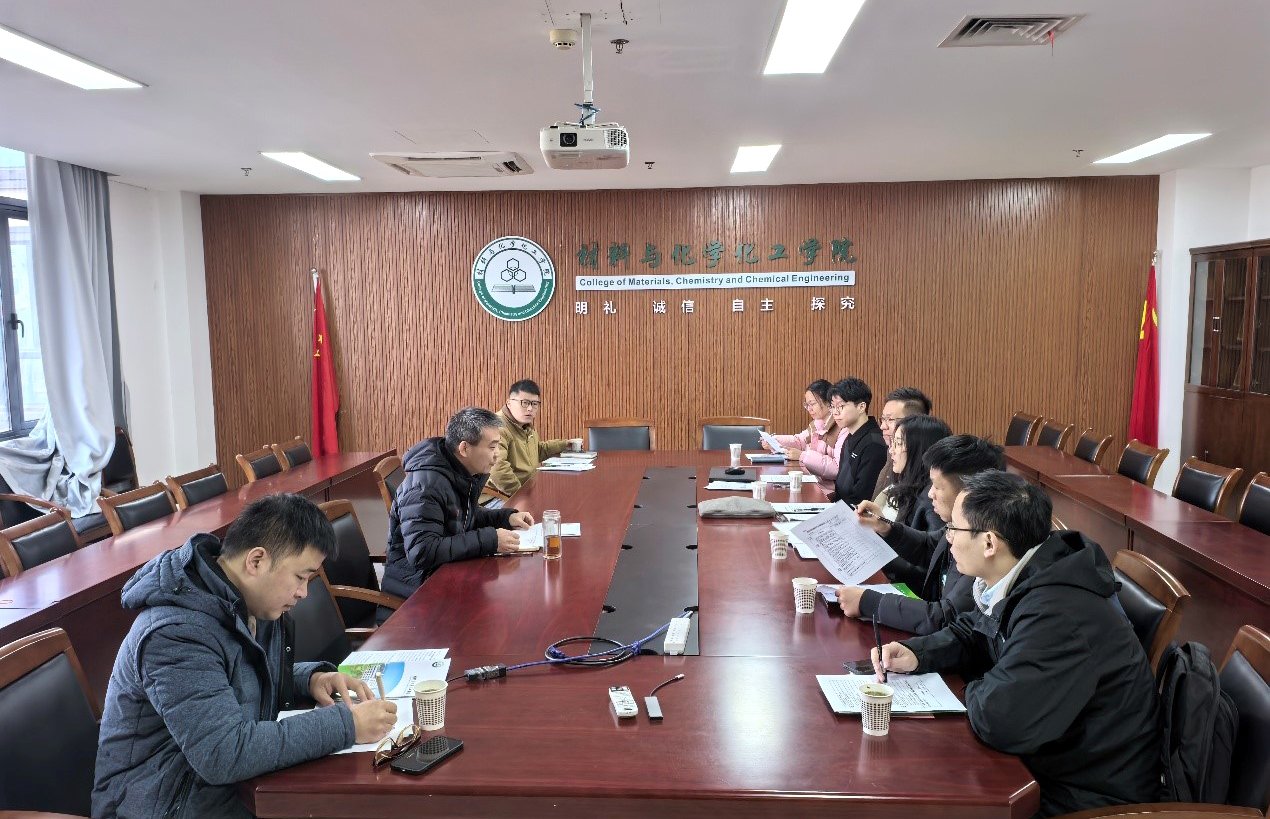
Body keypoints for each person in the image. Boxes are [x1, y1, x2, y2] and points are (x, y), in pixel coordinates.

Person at [93, 494, 399, 819]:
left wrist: (310, 679)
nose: (303, 592)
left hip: (221, 792)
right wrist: (347, 724)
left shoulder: (244, 600)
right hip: (162, 806)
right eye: (300, 577)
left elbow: (236, 679)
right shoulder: (175, 634)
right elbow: (222, 753)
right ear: (256, 561)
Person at [873, 471, 1160, 817]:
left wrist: (972, 687)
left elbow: (1000, 719)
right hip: (1048, 761)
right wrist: (919, 653)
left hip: (1084, 795)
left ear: (989, 544)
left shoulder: (1057, 613)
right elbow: (976, 631)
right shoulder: (1031, 573)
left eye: (953, 529)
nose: (947, 539)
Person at [836, 434, 1004, 635]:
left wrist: (869, 602)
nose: (930, 493)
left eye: (938, 487)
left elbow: (946, 617)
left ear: (969, 493)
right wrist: (886, 527)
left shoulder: (984, 543)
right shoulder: (958, 525)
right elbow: (930, 547)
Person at [382, 407, 534, 605]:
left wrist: (505, 518)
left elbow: (461, 516)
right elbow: (423, 551)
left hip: (444, 576)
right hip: (416, 594)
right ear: (464, 449)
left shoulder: (457, 472)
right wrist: (490, 540)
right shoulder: (425, 487)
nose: (497, 455)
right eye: (492, 447)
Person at [481, 379, 583, 504]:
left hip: (524, 490)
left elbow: (537, 451)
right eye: (524, 403)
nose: (530, 408)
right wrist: (523, 495)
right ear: (509, 403)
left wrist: (564, 444)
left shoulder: (526, 426)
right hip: (497, 497)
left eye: (534, 404)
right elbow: (498, 470)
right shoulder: (497, 427)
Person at [873, 414, 952, 527]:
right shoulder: (904, 483)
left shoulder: (931, 498)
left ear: (920, 449)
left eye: (898, 444)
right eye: (892, 443)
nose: (891, 451)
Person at [765, 378, 842, 481]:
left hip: (828, 485)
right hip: (815, 478)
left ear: (828, 402)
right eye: (807, 405)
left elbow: (836, 468)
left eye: (812, 404)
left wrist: (802, 456)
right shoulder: (817, 424)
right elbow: (800, 441)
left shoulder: (840, 427)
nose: (809, 409)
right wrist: (774, 440)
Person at [827, 377, 887, 506]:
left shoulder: (874, 444)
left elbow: (862, 498)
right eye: (832, 407)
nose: (835, 413)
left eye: (841, 406)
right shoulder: (850, 436)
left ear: (861, 407)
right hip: (840, 508)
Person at [874, 387, 932, 500]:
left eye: (890, 419)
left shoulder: (927, 469)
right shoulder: (891, 451)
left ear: (913, 422)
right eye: (883, 419)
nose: (883, 427)